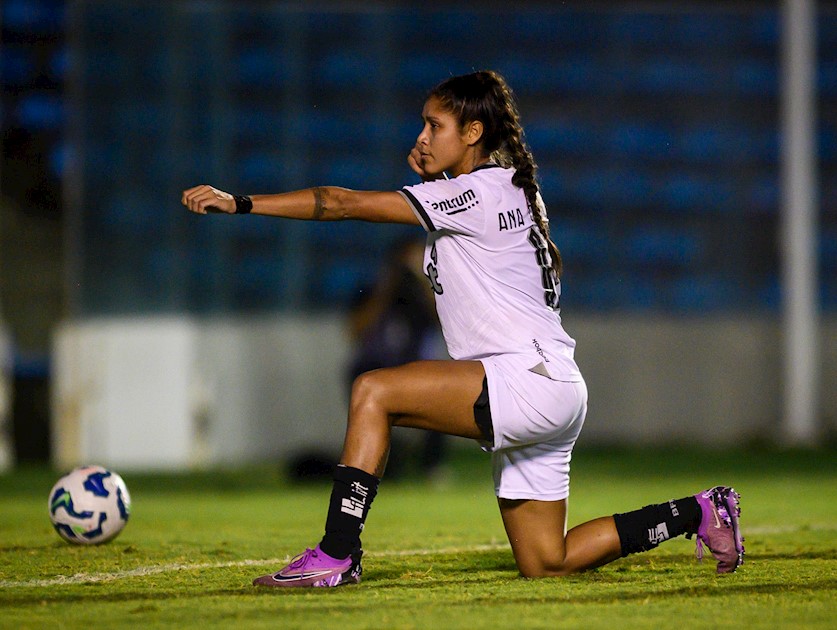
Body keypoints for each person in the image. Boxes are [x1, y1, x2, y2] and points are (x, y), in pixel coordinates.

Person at [182, 70, 744, 588]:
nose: (422, 136)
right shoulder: (512, 192)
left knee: (374, 392)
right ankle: (698, 511)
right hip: (555, 385)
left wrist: (243, 203)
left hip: (523, 380)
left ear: (473, 131)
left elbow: (342, 202)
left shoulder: (473, 193)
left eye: (434, 125)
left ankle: (337, 553)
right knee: (547, 562)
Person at [346, 236, 447, 479]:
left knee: (441, 393)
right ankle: (378, 465)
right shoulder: (375, 291)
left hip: (418, 366)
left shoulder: (428, 295)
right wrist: (386, 287)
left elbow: (444, 324)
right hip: (378, 366)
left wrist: (423, 282)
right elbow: (356, 331)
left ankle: (431, 465)